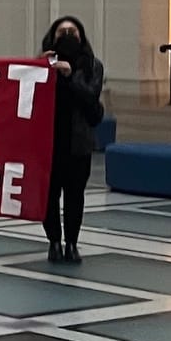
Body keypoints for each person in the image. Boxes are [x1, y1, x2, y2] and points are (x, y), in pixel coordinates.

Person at [42, 15, 106, 265]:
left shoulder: (92, 65)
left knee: (74, 196)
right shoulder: (43, 64)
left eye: (72, 32)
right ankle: (54, 242)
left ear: (81, 36)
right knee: (49, 197)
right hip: (49, 144)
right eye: (62, 32)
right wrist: (41, 67)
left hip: (78, 144)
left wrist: (70, 76)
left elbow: (91, 96)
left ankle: (72, 243)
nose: (67, 36)